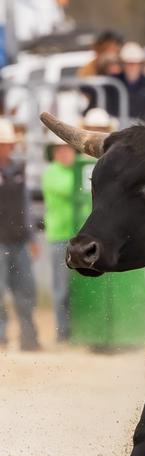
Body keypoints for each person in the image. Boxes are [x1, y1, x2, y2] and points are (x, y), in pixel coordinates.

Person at [0, 119, 39, 352]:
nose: (5, 148)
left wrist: (32, 237)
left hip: (19, 239)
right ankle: (1, 337)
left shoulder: (19, 169)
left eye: (6, 144)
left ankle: (29, 338)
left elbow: (26, 205)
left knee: (26, 290)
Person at [40, 132, 80, 344]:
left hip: (79, 237)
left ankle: (78, 331)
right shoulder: (51, 173)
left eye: (67, 149)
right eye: (60, 150)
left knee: (78, 289)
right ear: (55, 153)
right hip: (60, 238)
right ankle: (63, 333)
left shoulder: (78, 171)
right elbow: (72, 190)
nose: (64, 153)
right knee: (62, 289)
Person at [116, 42, 145, 122]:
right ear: (122, 64)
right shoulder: (114, 83)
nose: (132, 67)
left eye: (135, 63)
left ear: (141, 64)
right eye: (128, 63)